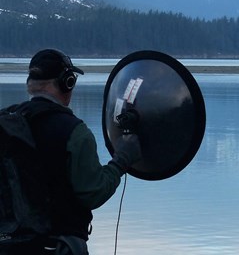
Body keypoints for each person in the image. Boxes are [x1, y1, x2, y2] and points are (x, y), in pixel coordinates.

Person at [9, 49, 142, 255]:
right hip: (59, 246)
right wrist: (122, 160)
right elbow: (93, 192)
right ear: (67, 83)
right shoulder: (73, 132)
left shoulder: (6, 122)